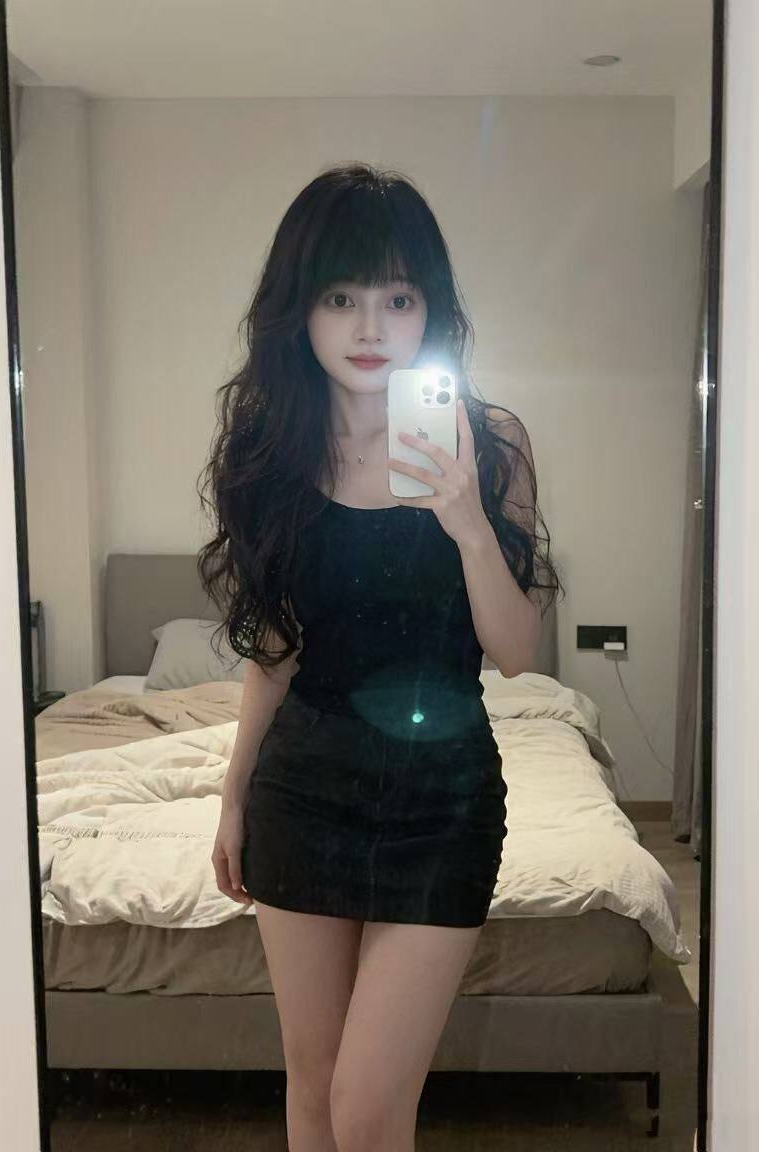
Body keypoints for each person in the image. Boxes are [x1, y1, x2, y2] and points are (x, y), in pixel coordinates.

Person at [198, 162, 561, 1151]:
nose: (370, 327)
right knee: (315, 1090)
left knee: (367, 1108)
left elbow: (516, 652)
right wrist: (233, 797)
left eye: (398, 299)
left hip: (441, 804)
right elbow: (274, 650)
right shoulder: (270, 453)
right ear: (300, 311)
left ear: (429, 310)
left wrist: (468, 524)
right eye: (341, 298)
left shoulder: (491, 445)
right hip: (303, 791)